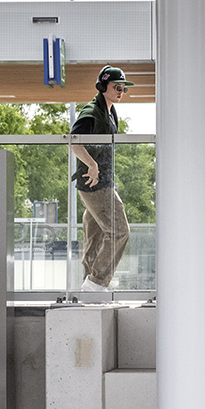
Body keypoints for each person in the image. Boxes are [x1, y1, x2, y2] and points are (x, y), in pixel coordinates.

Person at [71, 65, 133, 292]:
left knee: (95, 236)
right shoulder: (91, 112)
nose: (120, 92)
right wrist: (92, 165)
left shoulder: (109, 111)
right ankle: (96, 283)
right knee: (119, 231)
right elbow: (74, 143)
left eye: (124, 89)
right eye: (117, 87)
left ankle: (89, 285)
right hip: (96, 184)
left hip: (100, 181)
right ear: (102, 86)